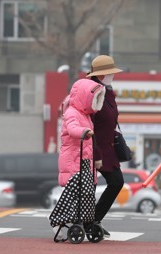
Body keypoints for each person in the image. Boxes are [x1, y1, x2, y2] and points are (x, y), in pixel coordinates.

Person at [49, 78, 106, 240]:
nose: (95, 103)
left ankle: (78, 222)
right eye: (93, 99)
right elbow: (73, 128)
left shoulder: (85, 114)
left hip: (82, 160)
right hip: (72, 159)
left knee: (82, 195)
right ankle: (58, 223)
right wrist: (84, 131)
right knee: (71, 195)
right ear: (84, 97)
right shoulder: (72, 112)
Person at [87, 55, 124, 238]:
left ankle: (94, 219)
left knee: (117, 182)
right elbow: (89, 125)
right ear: (101, 75)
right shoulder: (92, 93)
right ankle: (89, 221)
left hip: (108, 148)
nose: (113, 76)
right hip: (95, 148)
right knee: (90, 187)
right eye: (110, 73)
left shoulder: (107, 91)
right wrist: (96, 152)